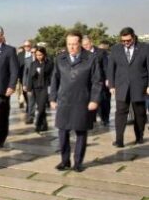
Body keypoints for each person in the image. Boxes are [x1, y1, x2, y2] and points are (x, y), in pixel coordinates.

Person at [50, 31, 101, 172]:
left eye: (74, 44)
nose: (71, 47)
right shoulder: (60, 58)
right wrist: (52, 98)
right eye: (69, 44)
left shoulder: (91, 58)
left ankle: (78, 162)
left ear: (80, 44)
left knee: (80, 132)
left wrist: (94, 100)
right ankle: (64, 161)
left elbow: (97, 82)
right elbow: (55, 79)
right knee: (62, 132)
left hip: (82, 101)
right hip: (64, 101)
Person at [108, 27, 149, 147]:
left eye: (128, 40)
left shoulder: (145, 48)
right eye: (123, 41)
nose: (126, 43)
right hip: (121, 86)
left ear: (133, 37)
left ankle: (139, 136)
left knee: (139, 113)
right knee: (120, 112)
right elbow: (111, 68)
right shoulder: (116, 49)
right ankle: (119, 140)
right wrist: (112, 85)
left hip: (140, 85)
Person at [82, 36, 111, 126]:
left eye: (87, 44)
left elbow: (106, 67)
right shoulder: (82, 54)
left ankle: (105, 118)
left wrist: (107, 78)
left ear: (91, 42)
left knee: (104, 101)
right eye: (83, 45)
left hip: (101, 80)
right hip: (88, 81)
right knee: (90, 100)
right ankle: (92, 118)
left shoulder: (101, 52)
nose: (85, 46)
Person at [25, 46, 53, 132]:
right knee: (41, 108)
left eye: (40, 55)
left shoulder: (49, 63)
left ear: (44, 54)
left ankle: (38, 124)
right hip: (36, 88)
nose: (39, 56)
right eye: (37, 55)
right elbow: (29, 76)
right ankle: (44, 125)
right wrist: (29, 89)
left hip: (45, 87)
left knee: (41, 107)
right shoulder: (33, 64)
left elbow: (51, 75)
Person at [18, 40, 35, 123]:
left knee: (31, 98)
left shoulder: (34, 54)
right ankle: (29, 110)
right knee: (27, 97)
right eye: (25, 46)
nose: (27, 47)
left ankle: (30, 114)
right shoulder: (20, 55)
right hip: (24, 79)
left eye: (28, 46)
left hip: (35, 81)